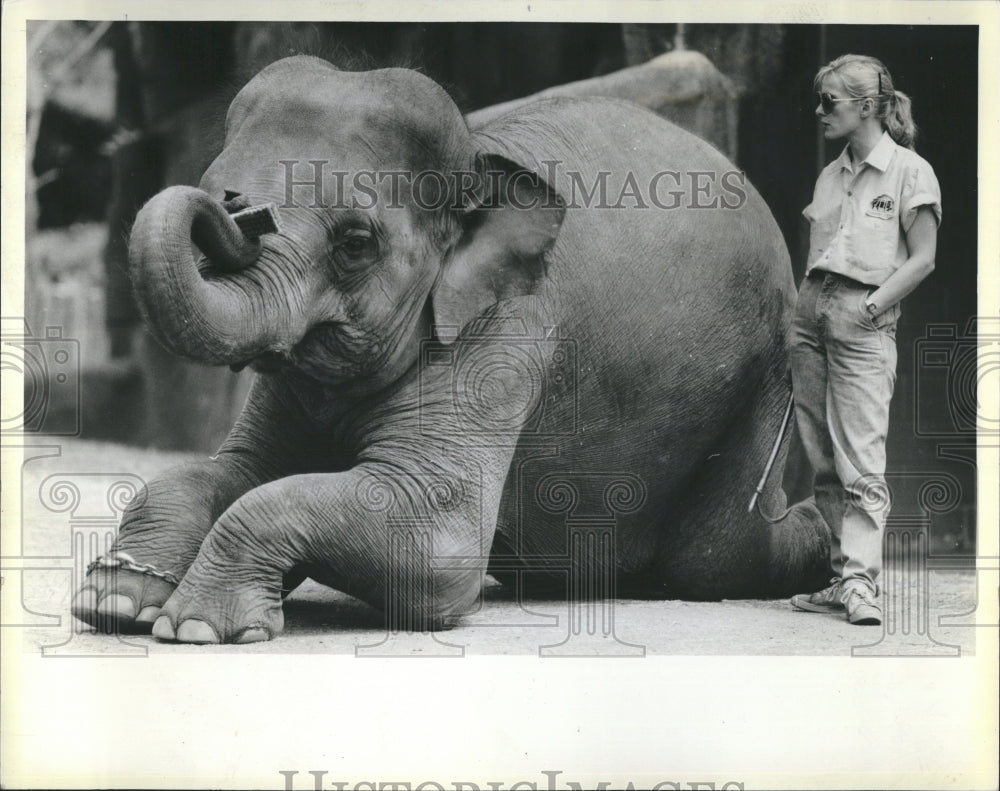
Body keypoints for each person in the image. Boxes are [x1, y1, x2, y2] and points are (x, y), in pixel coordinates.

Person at [789, 54, 941, 625]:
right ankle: (840, 577)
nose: (819, 112)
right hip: (812, 315)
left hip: (864, 314)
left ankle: (862, 585)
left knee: (862, 460)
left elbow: (923, 258)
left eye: (830, 101)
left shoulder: (910, 171)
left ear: (867, 106)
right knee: (823, 457)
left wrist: (874, 305)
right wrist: (803, 313)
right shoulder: (831, 174)